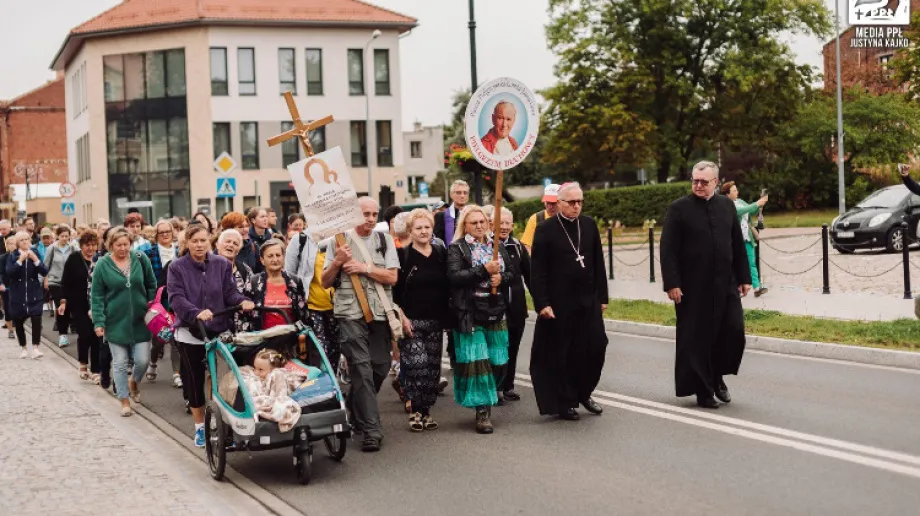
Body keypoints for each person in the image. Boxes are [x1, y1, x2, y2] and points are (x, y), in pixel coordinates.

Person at [660, 161, 752, 409]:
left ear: (716, 183)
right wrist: (672, 283)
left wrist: (744, 278)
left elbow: (737, 243)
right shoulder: (678, 209)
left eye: (704, 181)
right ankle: (703, 391)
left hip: (725, 283)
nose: (698, 185)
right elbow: (668, 250)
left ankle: (717, 376)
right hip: (692, 287)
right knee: (697, 339)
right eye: (695, 181)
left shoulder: (726, 206)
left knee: (733, 331)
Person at [322, 197, 399, 452]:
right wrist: (338, 261)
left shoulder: (383, 240)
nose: (371, 218)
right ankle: (371, 430)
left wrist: (364, 268)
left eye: (374, 214)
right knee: (362, 370)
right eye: (366, 213)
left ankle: (354, 406)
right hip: (349, 314)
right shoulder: (338, 241)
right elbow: (324, 281)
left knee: (380, 367)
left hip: (378, 312)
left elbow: (392, 277)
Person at [167, 225, 254, 446]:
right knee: (195, 380)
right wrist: (195, 313)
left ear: (209, 242)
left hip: (218, 329)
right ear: (187, 242)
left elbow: (230, 291)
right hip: (190, 331)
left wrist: (240, 300)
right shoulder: (177, 267)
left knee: (224, 379)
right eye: (194, 241)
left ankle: (225, 422)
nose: (199, 245)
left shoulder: (221, 264)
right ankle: (199, 428)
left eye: (203, 241)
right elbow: (175, 298)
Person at [530, 183, 608, 420]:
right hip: (559, 302)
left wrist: (602, 296)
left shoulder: (589, 224)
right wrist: (542, 303)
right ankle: (564, 402)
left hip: (588, 300)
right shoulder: (545, 230)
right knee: (564, 353)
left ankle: (583, 392)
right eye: (571, 202)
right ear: (559, 203)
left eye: (580, 202)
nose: (576, 206)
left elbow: (598, 262)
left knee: (596, 346)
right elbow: (538, 271)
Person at [447, 205, 513, 434]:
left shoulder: (498, 246)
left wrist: (501, 278)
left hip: (496, 309)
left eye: (482, 222)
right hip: (470, 312)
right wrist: (484, 270)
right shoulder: (457, 248)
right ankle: (483, 412)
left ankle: (489, 394)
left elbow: (511, 273)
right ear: (464, 225)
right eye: (473, 222)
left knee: (499, 360)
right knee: (478, 363)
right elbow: (455, 277)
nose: (478, 226)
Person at [90, 227, 159, 417]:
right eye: (119, 245)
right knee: (119, 363)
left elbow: (151, 283)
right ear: (110, 245)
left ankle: (134, 382)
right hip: (115, 321)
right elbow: (96, 295)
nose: (123, 248)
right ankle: (124, 400)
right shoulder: (103, 265)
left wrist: (151, 305)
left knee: (142, 360)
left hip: (140, 319)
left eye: (126, 244)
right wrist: (98, 321)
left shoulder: (140, 258)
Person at [395, 209, 449, 432]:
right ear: (410, 231)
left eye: (427, 227)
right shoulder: (403, 256)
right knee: (417, 365)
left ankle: (426, 411)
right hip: (412, 322)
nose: (424, 231)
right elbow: (394, 292)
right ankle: (415, 410)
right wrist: (402, 317)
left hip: (436, 321)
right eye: (419, 228)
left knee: (432, 371)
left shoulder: (441, 253)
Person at [283, 219, 340, 367]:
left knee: (336, 349)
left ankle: (333, 385)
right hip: (312, 307)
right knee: (320, 350)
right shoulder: (300, 240)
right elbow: (289, 274)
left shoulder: (339, 238)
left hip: (337, 307)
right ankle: (322, 385)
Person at [497, 207, 530, 402]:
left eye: (507, 223)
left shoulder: (517, 246)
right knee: (498, 347)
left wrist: (543, 303)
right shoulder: (487, 246)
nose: (504, 226)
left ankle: (508, 385)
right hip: (496, 307)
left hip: (517, 307)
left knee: (513, 347)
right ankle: (496, 386)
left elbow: (530, 275)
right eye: (500, 222)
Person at [241, 239, 309, 333]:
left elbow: (304, 314)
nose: (275, 259)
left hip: (291, 339)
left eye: (278, 255)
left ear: (283, 257)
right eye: (270, 256)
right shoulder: (254, 282)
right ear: (262, 260)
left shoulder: (295, 282)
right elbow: (245, 316)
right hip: (262, 342)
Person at [60, 231, 100, 382]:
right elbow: (65, 282)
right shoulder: (74, 259)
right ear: (81, 246)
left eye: (93, 245)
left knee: (97, 335)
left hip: (96, 303)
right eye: (87, 245)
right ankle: (83, 364)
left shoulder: (99, 259)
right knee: (84, 334)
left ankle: (96, 369)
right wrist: (63, 301)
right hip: (78, 303)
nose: (90, 248)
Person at [144, 220, 179, 384]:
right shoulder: (150, 253)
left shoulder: (180, 251)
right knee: (160, 337)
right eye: (161, 232)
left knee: (176, 336)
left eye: (168, 231)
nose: (165, 235)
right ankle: (152, 362)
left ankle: (177, 373)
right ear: (156, 235)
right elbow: (146, 279)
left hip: (178, 298)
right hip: (159, 300)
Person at [722, 182, 769, 297]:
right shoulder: (726, 205)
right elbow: (739, 211)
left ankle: (757, 287)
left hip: (747, 238)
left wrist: (759, 206)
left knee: (751, 263)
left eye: (736, 190)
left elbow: (750, 211)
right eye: (734, 191)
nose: (737, 192)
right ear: (727, 194)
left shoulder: (741, 202)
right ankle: (737, 287)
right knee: (735, 265)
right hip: (735, 241)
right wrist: (756, 203)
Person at [7, 231, 48, 359]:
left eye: (27, 239)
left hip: (33, 293)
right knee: (18, 321)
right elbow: (10, 272)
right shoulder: (13, 256)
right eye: (22, 240)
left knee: (36, 318)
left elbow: (44, 270)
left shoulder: (34, 253)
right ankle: (23, 347)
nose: (25, 242)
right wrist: (20, 260)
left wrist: (35, 260)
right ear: (18, 243)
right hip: (18, 294)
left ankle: (35, 347)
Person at [44, 225, 74, 347]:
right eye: (62, 236)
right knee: (61, 307)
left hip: (69, 282)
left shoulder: (73, 248)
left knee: (69, 307)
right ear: (57, 236)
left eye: (67, 236)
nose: (64, 238)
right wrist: (44, 279)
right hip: (55, 282)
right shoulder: (52, 248)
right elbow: (45, 265)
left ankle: (69, 327)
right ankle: (62, 335)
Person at [521, 184, 560, 253]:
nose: (550, 206)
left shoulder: (569, 218)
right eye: (548, 202)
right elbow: (527, 246)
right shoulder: (536, 219)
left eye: (554, 203)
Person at [247, 207, 275, 273]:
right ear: (253, 220)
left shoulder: (272, 237)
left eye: (266, 216)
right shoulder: (248, 239)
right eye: (262, 217)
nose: (265, 219)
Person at [0, 236, 14, 339]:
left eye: (14, 243)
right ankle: (10, 330)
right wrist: (1, 284)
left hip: (19, 286)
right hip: (7, 286)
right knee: (8, 308)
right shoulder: (3, 258)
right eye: (10, 244)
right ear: (7, 245)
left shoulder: (22, 256)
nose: (12, 246)